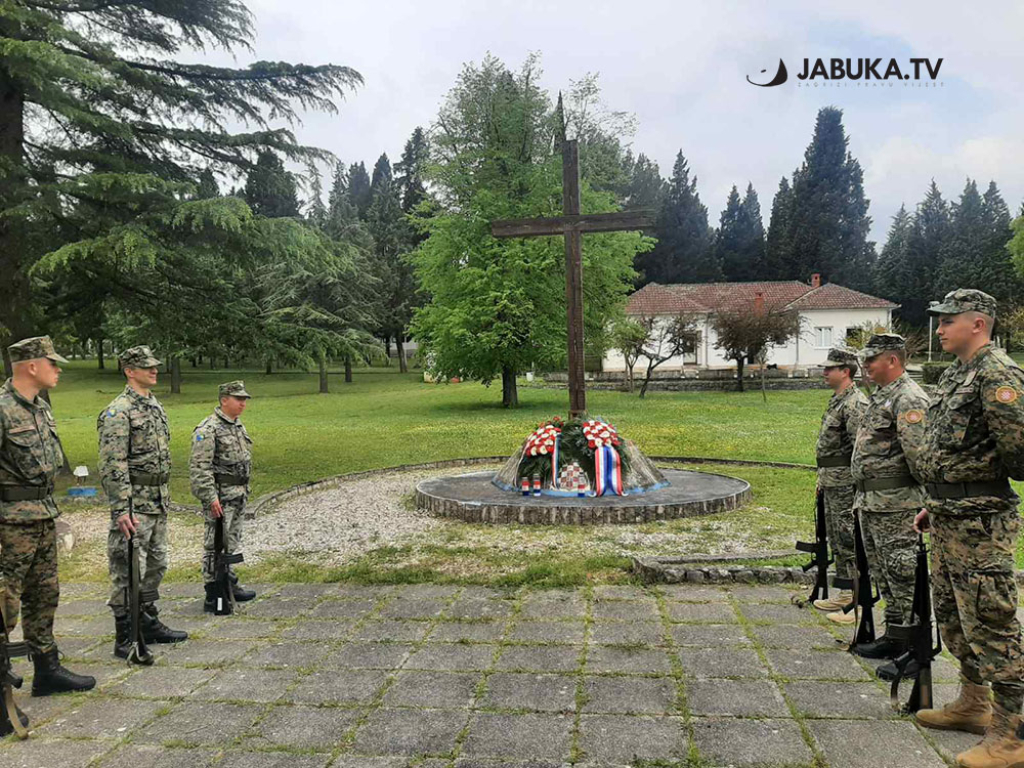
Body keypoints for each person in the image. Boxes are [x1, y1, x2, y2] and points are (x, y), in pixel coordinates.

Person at [913, 289, 1024, 768]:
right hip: (949, 516)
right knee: (956, 617)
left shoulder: (998, 374)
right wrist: (937, 501)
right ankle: (974, 704)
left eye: (948, 320)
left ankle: (1012, 735)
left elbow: (1020, 455)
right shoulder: (958, 373)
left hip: (980, 523)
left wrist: (967, 491)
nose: (939, 328)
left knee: (992, 622)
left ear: (978, 323)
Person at [0, 337, 95, 728]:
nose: (58, 369)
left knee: (44, 595)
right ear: (31, 366)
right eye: (52, 363)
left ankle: (46, 669)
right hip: (9, 524)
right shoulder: (2, 409)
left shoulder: (40, 408)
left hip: (42, 516)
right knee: (4, 604)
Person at [98, 345, 187, 662]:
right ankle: (125, 634)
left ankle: (147, 620)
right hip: (134, 505)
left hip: (157, 501)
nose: (154, 370)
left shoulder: (154, 406)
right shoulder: (118, 411)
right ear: (129, 370)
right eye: (147, 366)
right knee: (127, 569)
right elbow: (113, 464)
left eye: (155, 366)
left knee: (157, 564)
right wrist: (121, 508)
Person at [849, 333, 930, 680]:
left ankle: (916, 649)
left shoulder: (909, 398)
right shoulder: (882, 396)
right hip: (873, 503)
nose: (865, 365)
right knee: (885, 575)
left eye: (871, 359)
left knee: (904, 575)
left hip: (898, 506)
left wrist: (927, 503)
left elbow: (920, 460)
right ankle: (895, 638)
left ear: (893, 360)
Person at [813, 345, 869, 625]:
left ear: (845, 371)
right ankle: (846, 593)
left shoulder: (855, 403)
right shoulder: (838, 400)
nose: (824, 372)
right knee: (837, 539)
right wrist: (822, 478)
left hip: (847, 484)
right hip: (832, 481)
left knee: (849, 539)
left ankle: (856, 601)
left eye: (829, 368)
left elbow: (861, 449)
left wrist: (857, 486)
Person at [190, 381, 256, 611]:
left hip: (238, 494)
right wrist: (210, 497)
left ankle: (229, 583)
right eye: (238, 399)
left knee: (231, 542)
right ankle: (214, 595)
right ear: (224, 400)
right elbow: (200, 468)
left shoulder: (236, 426)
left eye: (244, 399)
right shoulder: (208, 429)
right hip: (221, 498)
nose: (243, 403)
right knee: (215, 544)